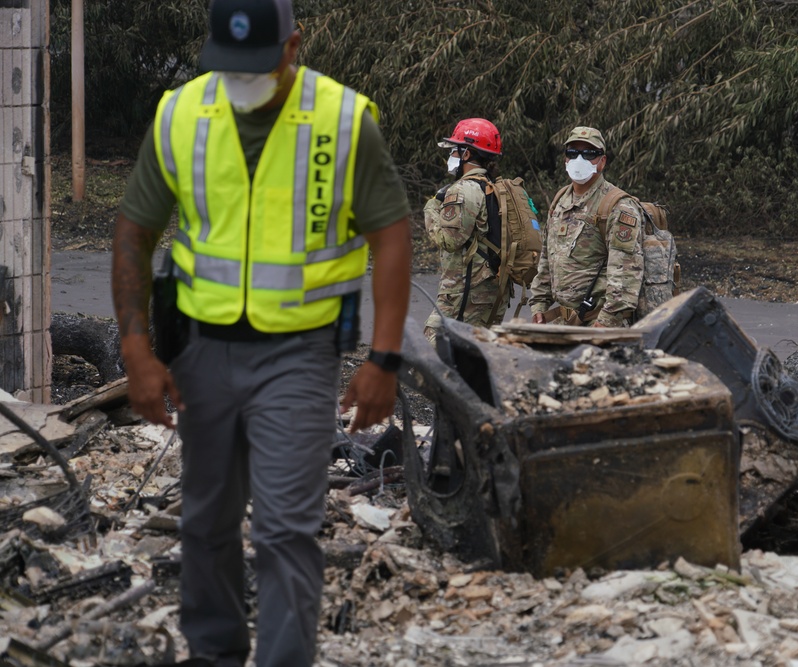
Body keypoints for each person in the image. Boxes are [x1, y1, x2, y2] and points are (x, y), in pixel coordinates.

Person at [110, 0, 412, 665]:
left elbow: (390, 233)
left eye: (255, 66)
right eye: (227, 66)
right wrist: (137, 348)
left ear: (292, 46)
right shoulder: (182, 113)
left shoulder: (341, 119)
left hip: (299, 355)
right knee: (206, 521)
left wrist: (383, 357)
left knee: (285, 529)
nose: (239, 79)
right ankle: (215, 651)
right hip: (201, 351)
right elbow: (135, 229)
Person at [529, 126, 644, 328]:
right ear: (565, 159)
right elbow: (548, 257)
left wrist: (607, 322)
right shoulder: (560, 199)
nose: (579, 160)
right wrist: (539, 304)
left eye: (589, 153)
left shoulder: (618, 206)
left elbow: (626, 272)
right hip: (565, 321)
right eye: (573, 153)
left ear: (602, 161)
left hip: (599, 323)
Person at [422, 118, 508, 342]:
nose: (451, 156)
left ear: (467, 154)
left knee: (432, 355)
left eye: (454, 151)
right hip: (494, 292)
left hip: (464, 294)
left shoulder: (463, 189)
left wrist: (431, 208)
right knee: (476, 357)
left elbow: (449, 240)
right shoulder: (498, 188)